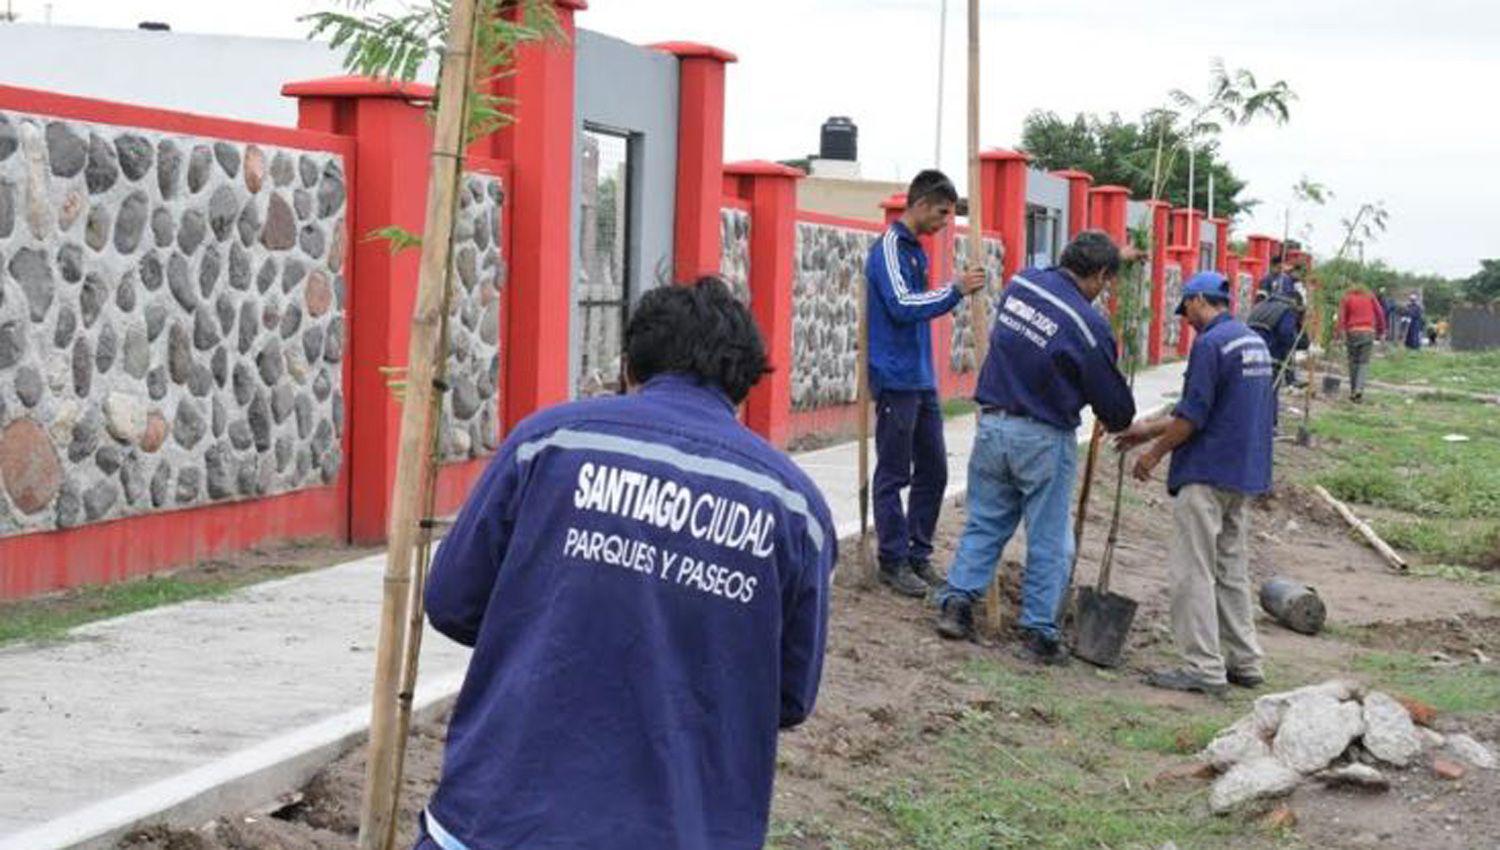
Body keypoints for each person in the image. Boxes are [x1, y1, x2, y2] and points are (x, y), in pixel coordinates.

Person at [416, 278, 837, 850]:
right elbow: (788, 696)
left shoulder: (547, 444)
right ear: (743, 389)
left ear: (629, 367)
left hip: (496, 822)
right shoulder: (795, 509)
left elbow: (450, 603)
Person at [932, 230, 1137, 665]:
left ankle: (955, 606)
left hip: (992, 426)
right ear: (1099, 275)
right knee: (1049, 538)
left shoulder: (1021, 284)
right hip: (1042, 439)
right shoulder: (1089, 326)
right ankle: (1039, 633)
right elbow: (1115, 408)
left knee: (985, 522)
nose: (1105, 290)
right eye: (1106, 279)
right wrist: (1120, 415)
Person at [1114, 272, 1274, 696]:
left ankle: (1202, 668)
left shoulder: (1210, 345)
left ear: (1201, 300)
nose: (1186, 321)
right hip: (1243, 473)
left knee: (1193, 572)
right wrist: (1146, 429)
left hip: (1206, 473)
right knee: (1231, 570)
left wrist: (1153, 455)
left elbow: (1193, 418)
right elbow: (1210, 407)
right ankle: (1245, 661)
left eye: (1186, 311)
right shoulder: (1252, 341)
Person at [865, 169, 987, 596]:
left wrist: (953, 291)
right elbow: (901, 305)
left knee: (933, 469)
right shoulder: (889, 250)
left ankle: (919, 554)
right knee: (894, 472)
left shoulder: (917, 251)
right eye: (941, 212)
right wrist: (954, 291)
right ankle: (892, 560)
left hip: (920, 378)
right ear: (917, 204)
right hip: (894, 378)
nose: (944, 222)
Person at [1247, 282, 1304, 390]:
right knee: (1269, 389)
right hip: (1271, 353)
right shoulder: (1287, 310)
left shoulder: (1261, 305)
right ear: (1295, 302)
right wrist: (1296, 343)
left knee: (1252, 386)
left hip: (1250, 350)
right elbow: (1285, 334)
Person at [1337, 283, 1388, 402]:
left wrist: (1340, 334)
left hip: (1353, 332)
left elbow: (1341, 317)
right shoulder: (1370, 297)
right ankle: (1359, 389)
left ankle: (1353, 390)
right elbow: (1380, 313)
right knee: (1363, 362)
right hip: (1368, 332)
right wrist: (1382, 332)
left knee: (1353, 362)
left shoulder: (1347, 298)